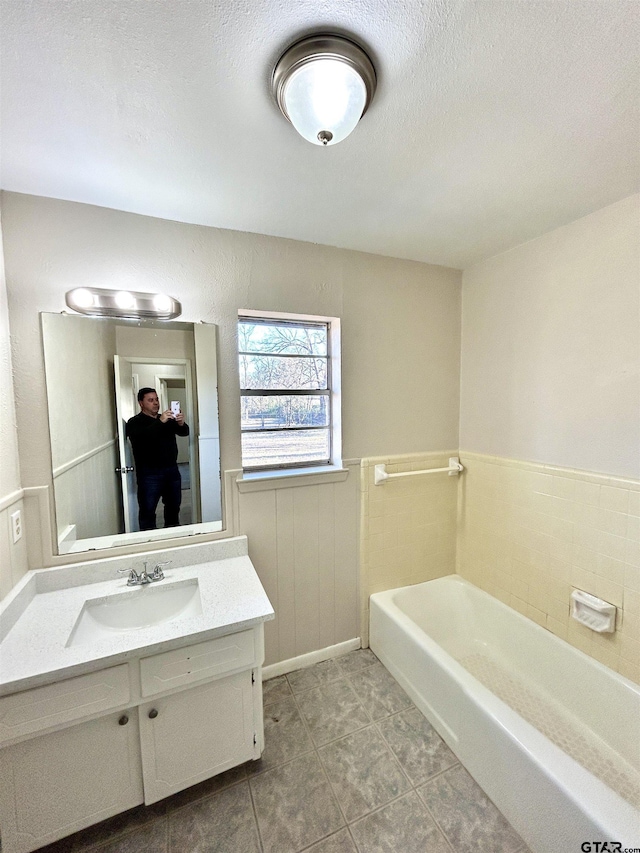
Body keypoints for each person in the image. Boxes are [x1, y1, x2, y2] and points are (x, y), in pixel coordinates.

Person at [125, 387, 189, 531]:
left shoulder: (167, 419)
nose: (155, 403)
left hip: (171, 471)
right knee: (147, 512)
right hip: (149, 474)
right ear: (141, 403)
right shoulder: (134, 422)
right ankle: (149, 543)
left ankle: (172, 536)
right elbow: (143, 438)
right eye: (151, 400)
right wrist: (160, 421)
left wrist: (180, 423)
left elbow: (185, 432)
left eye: (157, 399)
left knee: (173, 508)